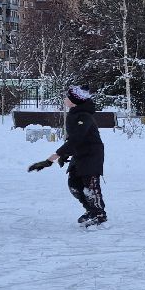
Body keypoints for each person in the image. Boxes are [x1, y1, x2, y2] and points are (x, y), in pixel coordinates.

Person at [30, 85, 108, 227]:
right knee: (74, 184)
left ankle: (99, 214)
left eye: (68, 97)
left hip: (91, 154)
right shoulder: (75, 113)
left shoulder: (84, 116)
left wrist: (54, 156)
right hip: (80, 153)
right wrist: (65, 154)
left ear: (75, 100)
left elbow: (77, 138)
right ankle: (90, 210)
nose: (65, 99)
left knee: (90, 185)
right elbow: (74, 139)